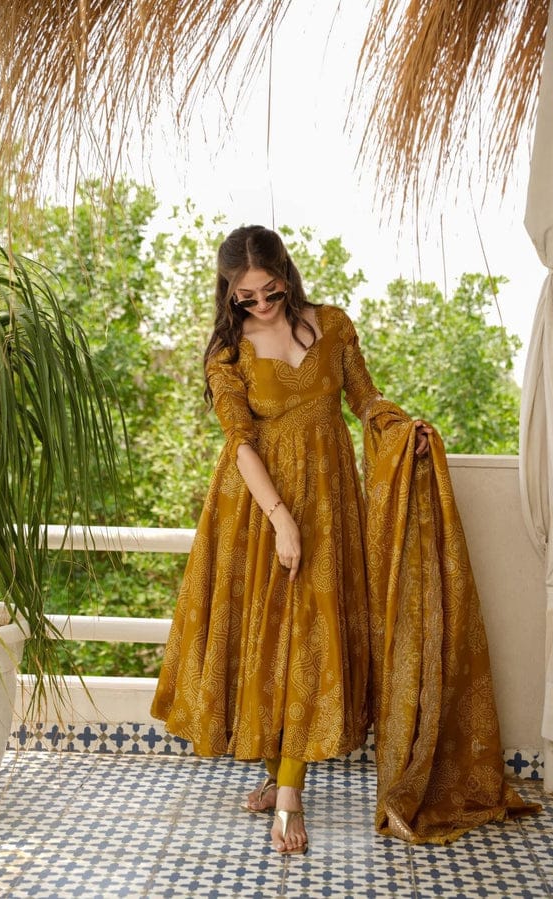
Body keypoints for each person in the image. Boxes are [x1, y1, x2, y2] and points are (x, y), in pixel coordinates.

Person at [151, 224, 432, 855]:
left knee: (309, 635)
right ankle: (278, 776)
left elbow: (365, 400)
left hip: (329, 504)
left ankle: (288, 791)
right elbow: (240, 443)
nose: (259, 304)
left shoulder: (331, 326)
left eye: (269, 291)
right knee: (265, 636)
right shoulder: (229, 353)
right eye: (244, 296)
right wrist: (280, 518)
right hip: (257, 506)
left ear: (287, 274)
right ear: (229, 293)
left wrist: (402, 429)